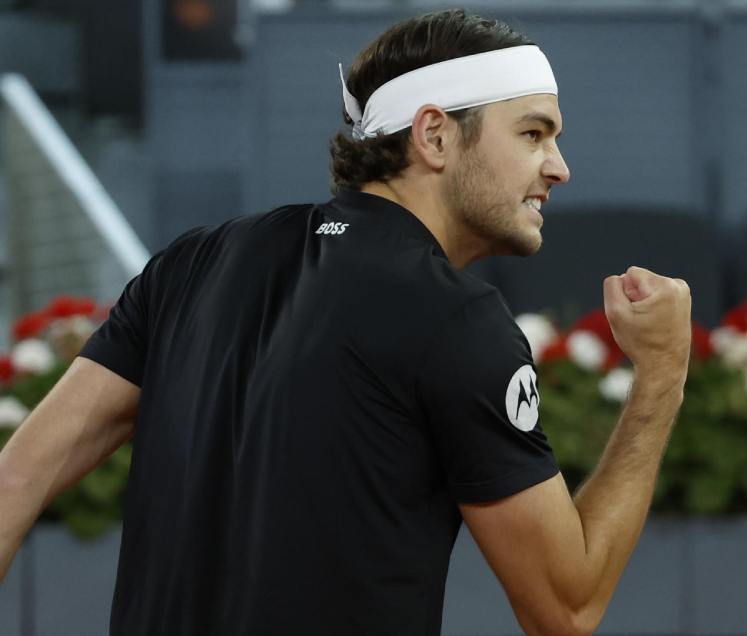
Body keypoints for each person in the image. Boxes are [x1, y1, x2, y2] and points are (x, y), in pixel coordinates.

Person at [0, 8, 691, 636]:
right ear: (434, 135)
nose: (560, 168)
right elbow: (564, 610)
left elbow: (15, 482)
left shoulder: (188, 262)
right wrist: (661, 375)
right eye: (533, 133)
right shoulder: (457, 318)